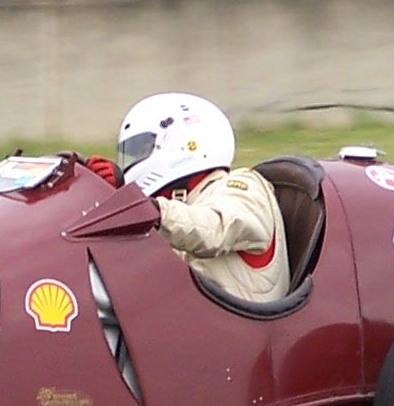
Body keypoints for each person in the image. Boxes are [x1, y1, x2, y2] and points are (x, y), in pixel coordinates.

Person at [85, 93, 288, 307]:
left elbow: (214, 229)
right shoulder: (181, 205)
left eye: (141, 149)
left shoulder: (243, 186)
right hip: (184, 323)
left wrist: (147, 207)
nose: (133, 160)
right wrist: (102, 194)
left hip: (232, 333)